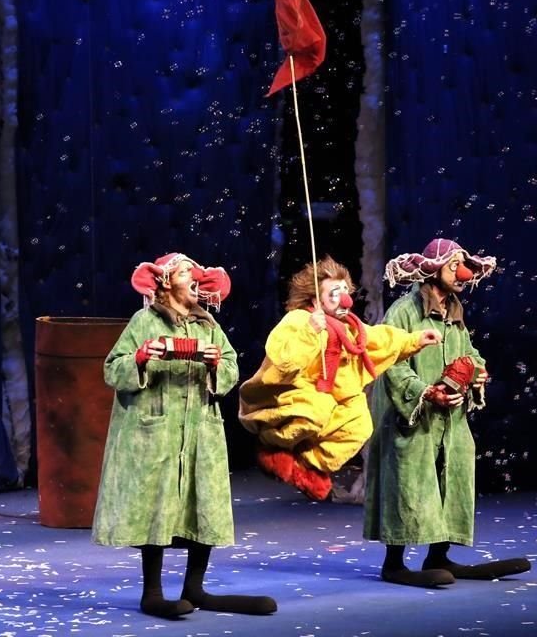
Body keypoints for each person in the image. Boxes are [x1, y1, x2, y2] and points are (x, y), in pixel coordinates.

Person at [92, 252, 276, 618]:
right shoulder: (144, 321)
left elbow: (230, 366)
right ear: (165, 283)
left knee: (201, 499)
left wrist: (215, 364)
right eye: (185, 273)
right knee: (157, 504)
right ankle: (152, 592)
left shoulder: (208, 325)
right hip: (156, 433)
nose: (195, 279)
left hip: (200, 432)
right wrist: (142, 357)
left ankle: (195, 587)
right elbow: (113, 369)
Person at [363, 238, 532, 587]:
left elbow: (469, 353)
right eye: (454, 266)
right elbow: (390, 362)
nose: (462, 273)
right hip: (411, 419)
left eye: (463, 266)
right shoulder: (404, 311)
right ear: (433, 270)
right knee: (408, 481)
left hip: (449, 420)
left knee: (450, 475)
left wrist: (478, 372)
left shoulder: (454, 312)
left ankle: (438, 555)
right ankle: (393, 563)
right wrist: (425, 392)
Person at [239, 255, 441, 501]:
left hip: (333, 397)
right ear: (316, 299)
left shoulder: (349, 327)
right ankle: (274, 446)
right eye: (335, 293)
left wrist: (415, 340)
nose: (345, 298)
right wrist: (310, 332)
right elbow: (283, 361)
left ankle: (307, 464)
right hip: (292, 393)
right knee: (315, 410)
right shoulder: (299, 320)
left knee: (360, 424)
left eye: (345, 291)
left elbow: (379, 339)